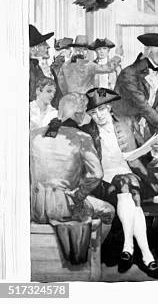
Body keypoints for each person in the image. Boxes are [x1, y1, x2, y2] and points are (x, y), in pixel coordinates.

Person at [85, 87, 158, 278]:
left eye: (102, 110)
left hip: (131, 178)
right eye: (94, 113)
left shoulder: (127, 123)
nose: (99, 116)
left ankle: (130, 248)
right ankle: (145, 254)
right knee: (127, 185)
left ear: (110, 108)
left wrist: (154, 150)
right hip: (103, 182)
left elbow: (143, 155)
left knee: (128, 185)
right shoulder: (88, 132)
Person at [30, 93, 115, 263]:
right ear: (78, 114)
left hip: (33, 205)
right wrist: (79, 195)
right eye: (85, 112)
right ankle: (92, 256)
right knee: (108, 211)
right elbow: (97, 174)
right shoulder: (82, 138)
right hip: (63, 207)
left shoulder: (33, 135)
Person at [114, 32, 158, 143]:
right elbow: (143, 106)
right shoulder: (129, 73)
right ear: (150, 51)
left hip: (146, 127)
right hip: (124, 128)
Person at [29, 24, 54, 101]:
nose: (48, 46)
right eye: (43, 43)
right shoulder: (30, 68)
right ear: (34, 48)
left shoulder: (36, 66)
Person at [50, 37, 73, 108]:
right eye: (68, 49)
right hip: (60, 101)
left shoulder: (70, 62)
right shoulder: (57, 65)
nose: (70, 51)